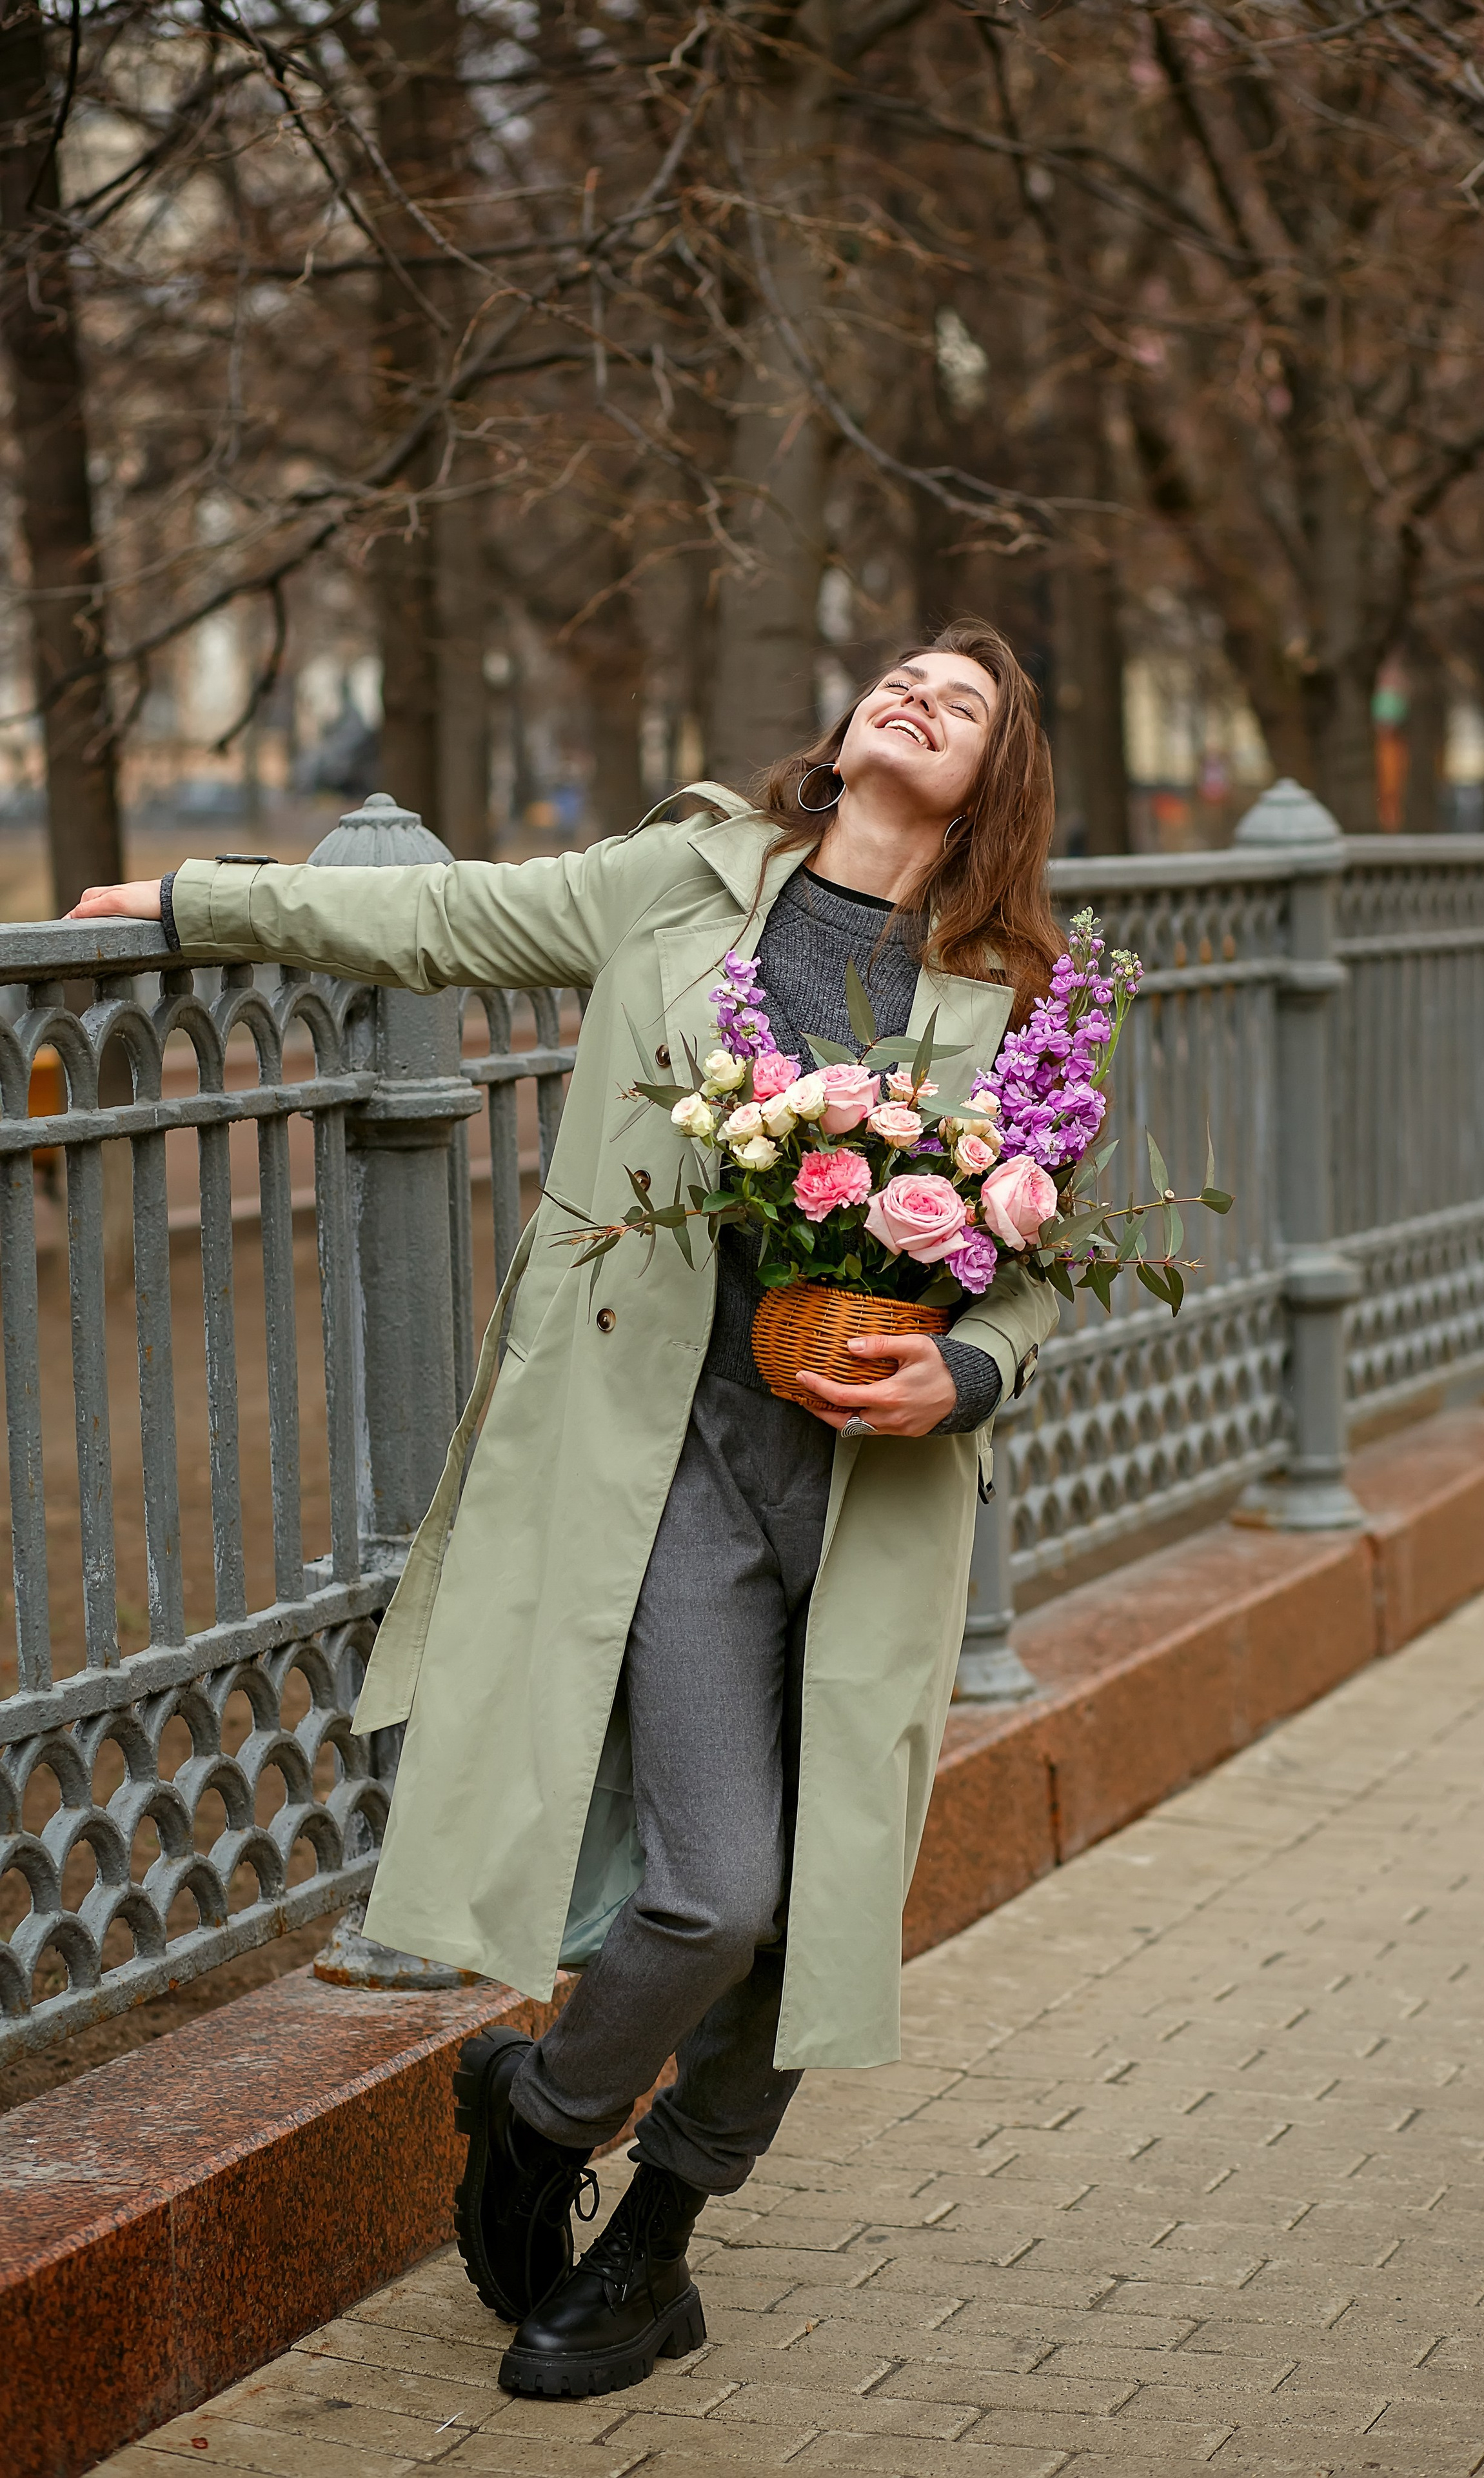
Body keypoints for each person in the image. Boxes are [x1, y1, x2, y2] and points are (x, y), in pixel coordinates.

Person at [72, 617, 1062, 2401]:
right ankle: (539, 2116)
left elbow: (1049, 1258)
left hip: (877, 1493)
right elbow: (443, 917)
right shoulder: (682, 883)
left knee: (823, 1903)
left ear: (997, 777)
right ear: (849, 727)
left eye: (964, 701)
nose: (918, 696)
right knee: (715, 1898)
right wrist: (195, 900)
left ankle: (654, 2246)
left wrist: (969, 1371)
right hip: (672, 1461)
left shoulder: (1019, 992)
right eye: (903, 676)